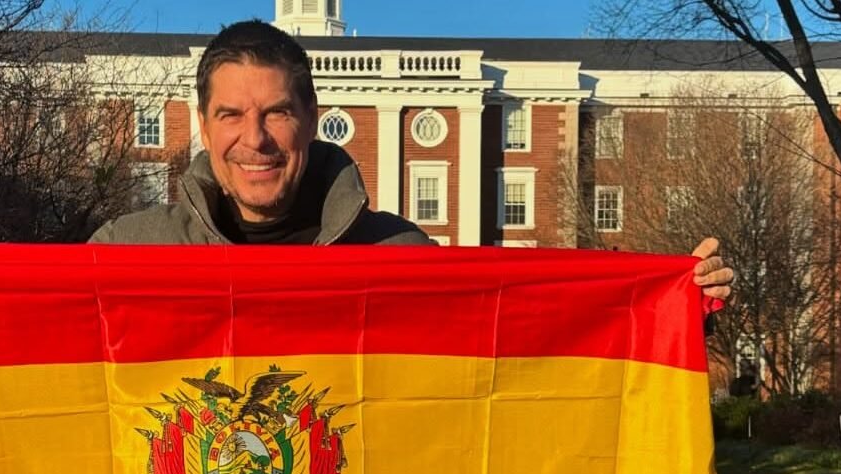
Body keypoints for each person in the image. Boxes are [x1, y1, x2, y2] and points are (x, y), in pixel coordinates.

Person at [89, 20, 732, 300]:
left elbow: (524, 352)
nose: (254, 138)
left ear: (312, 118)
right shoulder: (126, 250)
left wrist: (667, 305)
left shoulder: (400, 253)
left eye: (277, 112)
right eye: (231, 114)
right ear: (203, 124)